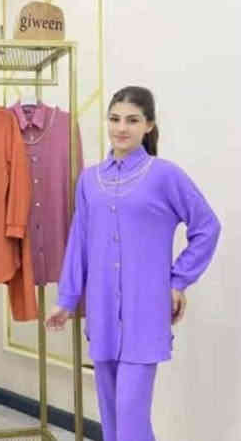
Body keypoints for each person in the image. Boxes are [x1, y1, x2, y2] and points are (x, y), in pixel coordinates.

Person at [45, 86, 221, 441]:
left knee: (130, 416)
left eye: (132, 120)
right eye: (114, 119)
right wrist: (67, 300)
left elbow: (207, 227)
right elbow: (79, 242)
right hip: (102, 312)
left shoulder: (164, 175)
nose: (121, 128)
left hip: (146, 312)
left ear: (148, 126)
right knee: (112, 417)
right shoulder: (90, 180)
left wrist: (178, 281)